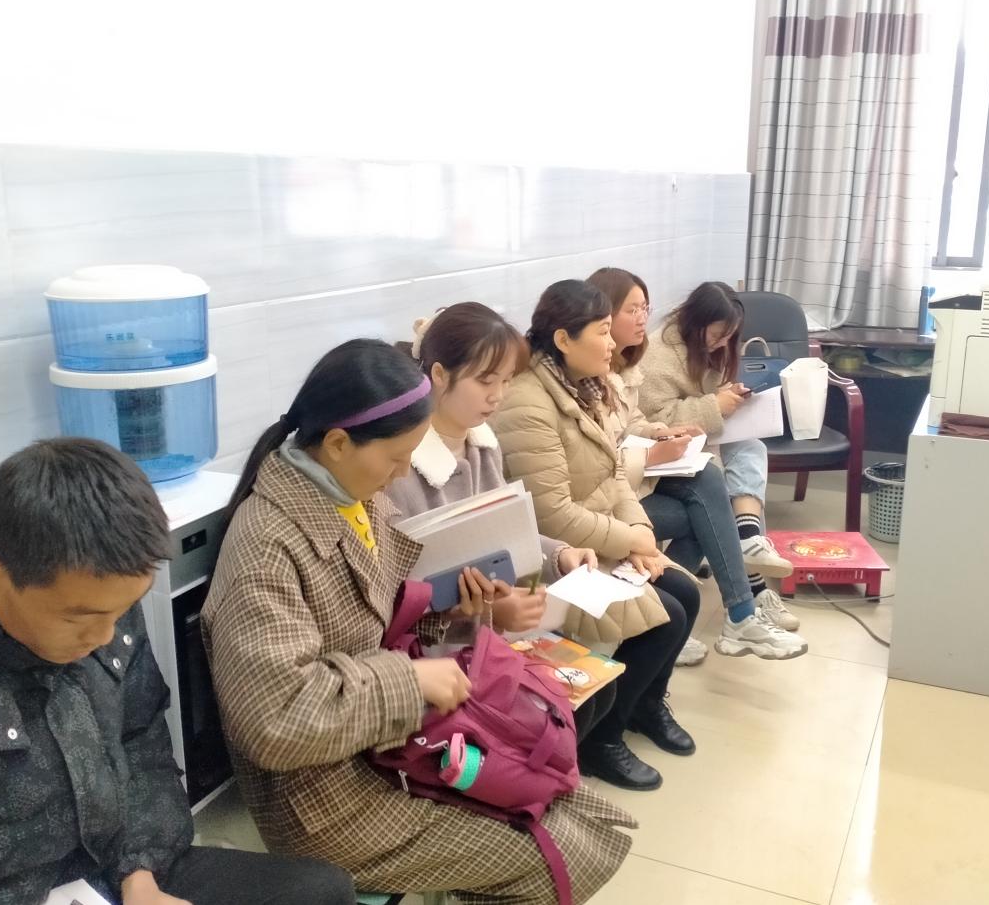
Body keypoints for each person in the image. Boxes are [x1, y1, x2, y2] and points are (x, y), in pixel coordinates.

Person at [202, 339, 633, 904]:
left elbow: (379, 622)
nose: (401, 473)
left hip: (389, 747)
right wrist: (410, 681)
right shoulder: (266, 547)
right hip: (324, 798)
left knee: (556, 795)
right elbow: (275, 721)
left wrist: (453, 614)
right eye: (395, 458)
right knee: (554, 853)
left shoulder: (357, 500)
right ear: (337, 443)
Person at [0, 438, 354, 905]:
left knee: (321, 892)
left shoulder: (101, 592)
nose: (103, 637)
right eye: (78, 618)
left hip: (108, 868)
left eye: (121, 612)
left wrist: (140, 875)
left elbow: (140, 738)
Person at [491, 280, 698, 793]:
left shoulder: (585, 385)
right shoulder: (527, 403)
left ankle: (644, 705)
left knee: (687, 593)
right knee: (666, 618)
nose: (612, 344)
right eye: (603, 332)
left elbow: (613, 475)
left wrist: (641, 535)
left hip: (604, 535)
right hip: (563, 554)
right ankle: (601, 740)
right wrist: (630, 542)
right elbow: (551, 514)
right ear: (564, 339)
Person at [384, 303, 618, 740]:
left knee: (594, 692)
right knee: (558, 711)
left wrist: (560, 555)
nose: (498, 395)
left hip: (486, 634)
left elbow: (505, 530)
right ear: (439, 375)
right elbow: (404, 594)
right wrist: (493, 612)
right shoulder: (401, 468)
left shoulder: (482, 444)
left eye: (507, 380)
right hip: (437, 656)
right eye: (485, 381)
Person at [587, 268, 808, 660]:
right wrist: (655, 448)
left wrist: (660, 433)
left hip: (636, 480)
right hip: (606, 501)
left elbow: (633, 421)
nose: (643, 319)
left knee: (727, 468)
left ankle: (715, 609)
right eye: (631, 310)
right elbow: (594, 468)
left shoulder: (623, 363)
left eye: (645, 308)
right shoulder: (611, 370)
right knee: (706, 506)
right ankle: (727, 602)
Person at [639, 281, 802, 632]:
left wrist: (728, 396)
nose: (723, 343)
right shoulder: (657, 356)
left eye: (729, 336)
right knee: (712, 502)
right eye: (717, 335)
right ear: (696, 322)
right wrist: (714, 405)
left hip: (697, 441)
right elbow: (654, 421)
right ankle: (751, 590)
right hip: (663, 457)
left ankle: (750, 540)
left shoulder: (707, 346)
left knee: (751, 447)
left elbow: (700, 401)